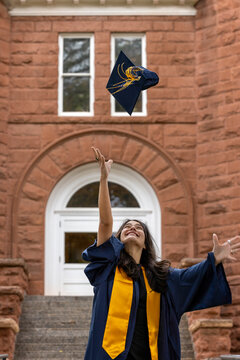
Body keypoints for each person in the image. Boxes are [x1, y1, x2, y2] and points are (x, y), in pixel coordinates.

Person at [82, 147, 240, 360]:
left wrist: (214, 260)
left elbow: (190, 277)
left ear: (145, 243)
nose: (132, 228)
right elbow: (105, 222)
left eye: (138, 227)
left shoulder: (160, 277)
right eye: (127, 226)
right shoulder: (107, 270)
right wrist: (103, 180)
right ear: (116, 241)